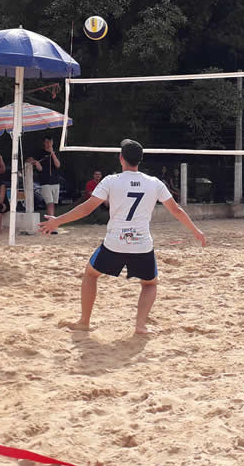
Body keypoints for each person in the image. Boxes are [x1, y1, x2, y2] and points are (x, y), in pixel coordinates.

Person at [40, 139, 206, 335]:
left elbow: (86, 208)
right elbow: (176, 210)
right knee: (150, 284)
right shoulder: (154, 183)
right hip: (141, 244)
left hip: (115, 243)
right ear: (140, 160)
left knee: (91, 274)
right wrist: (196, 231)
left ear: (121, 158)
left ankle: (84, 321)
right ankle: (140, 325)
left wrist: (57, 221)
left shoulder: (111, 180)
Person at [27, 136, 62, 228]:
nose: (48, 144)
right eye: (46, 142)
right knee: (49, 203)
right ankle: (51, 224)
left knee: (53, 203)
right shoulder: (39, 153)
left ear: (52, 143)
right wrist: (34, 162)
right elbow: (38, 167)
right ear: (44, 143)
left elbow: (58, 165)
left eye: (50, 142)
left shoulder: (55, 153)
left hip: (55, 181)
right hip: (45, 182)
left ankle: (51, 222)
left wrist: (52, 153)